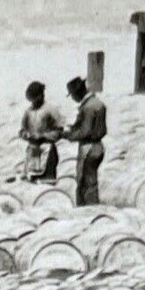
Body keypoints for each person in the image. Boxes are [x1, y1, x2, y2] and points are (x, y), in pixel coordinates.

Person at [63, 76, 107, 206]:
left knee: (85, 183)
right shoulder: (98, 103)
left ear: (78, 93)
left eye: (72, 95)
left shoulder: (87, 107)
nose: (72, 98)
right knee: (91, 180)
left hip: (88, 148)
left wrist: (68, 136)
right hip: (98, 146)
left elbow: (86, 131)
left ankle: (88, 210)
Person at [20, 81, 64, 182]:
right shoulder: (28, 111)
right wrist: (24, 134)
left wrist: (43, 136)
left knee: (45, 181)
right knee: (30, 179)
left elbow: (59, 131)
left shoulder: (51, 110)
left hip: (47, 149)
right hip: (32, 151)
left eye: (34, 99)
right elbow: (22, 129)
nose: (32, 102)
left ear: (40, 96)